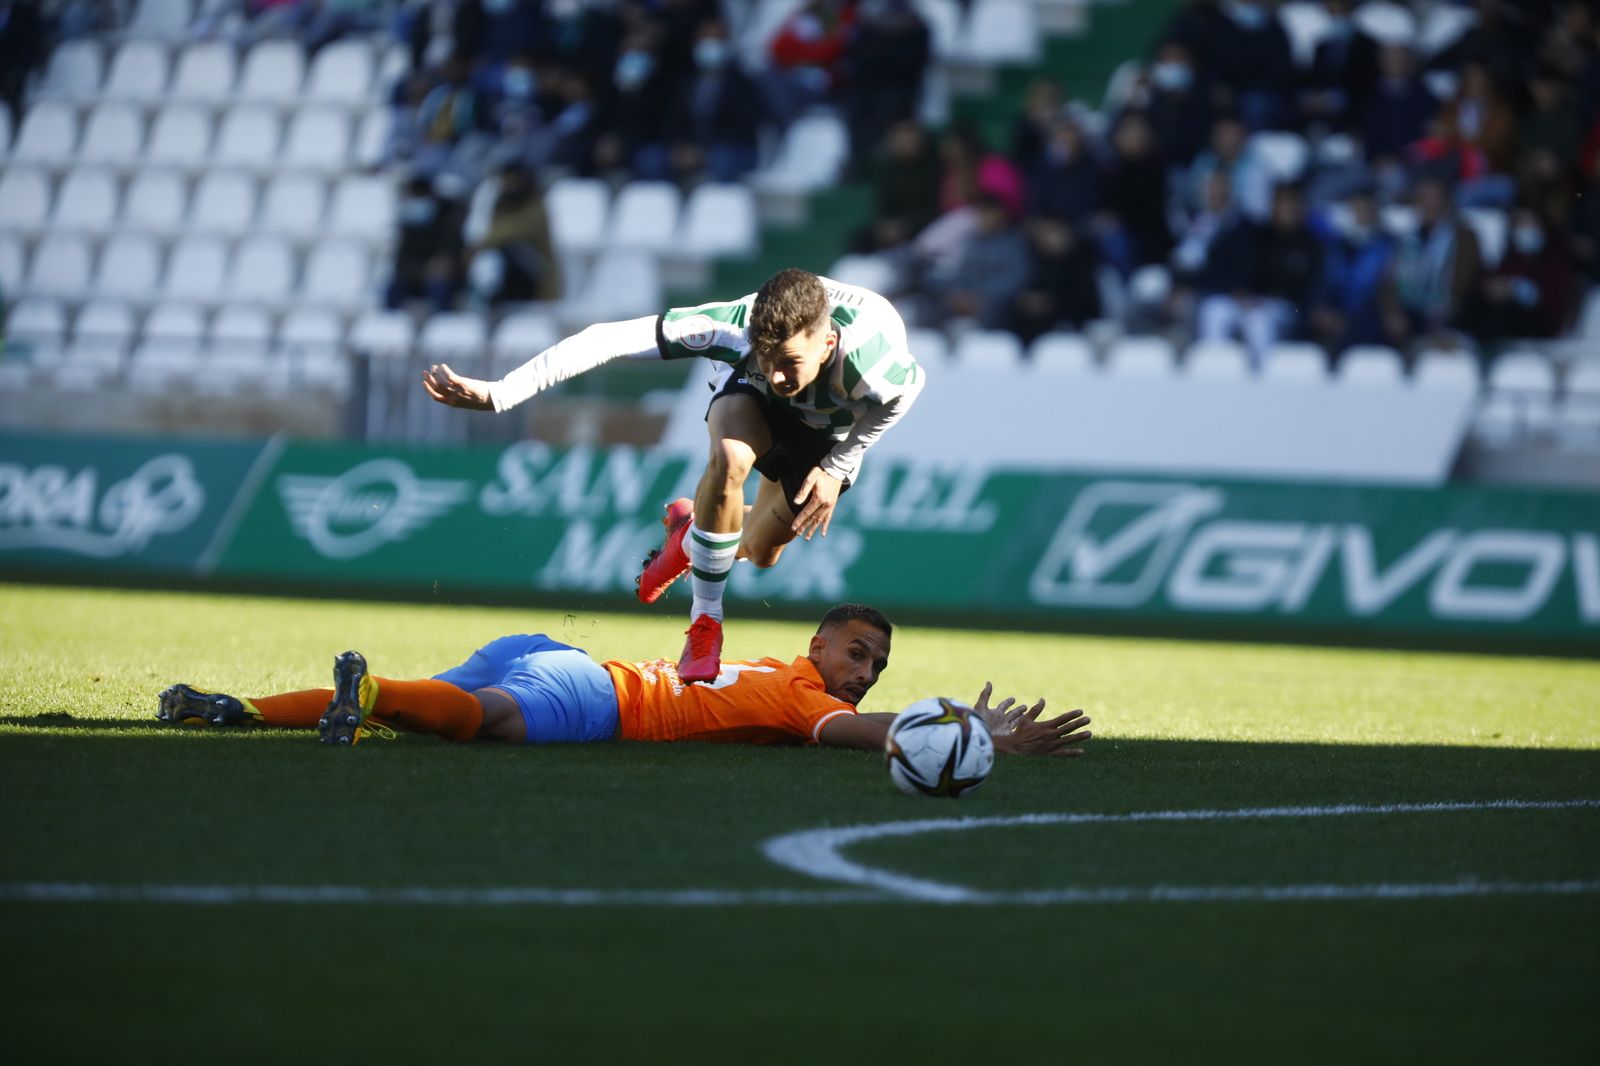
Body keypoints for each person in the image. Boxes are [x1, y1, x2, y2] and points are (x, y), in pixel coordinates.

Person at [421, 269, 926, 685]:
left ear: (828, 342)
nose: (778, 376)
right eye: (767, 359)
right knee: (729, 460)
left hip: (826, 432)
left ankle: (691, 538)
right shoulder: (736, 331)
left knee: (764, 551)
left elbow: (908, 391)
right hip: (749, 404)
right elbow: (608, 338)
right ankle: (706, 623)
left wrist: (838, 467)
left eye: (790, 362)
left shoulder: (872, 361)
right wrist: (501, 393)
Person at [154, 604, 1092, 757]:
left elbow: (868, 714)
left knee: (417, 708)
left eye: (876, 665)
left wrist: (958, 711)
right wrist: (976, 737)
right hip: (597, 696)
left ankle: (233, 708)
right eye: (857, 653)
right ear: (819, 644)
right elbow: (866, 733)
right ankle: (368, 694)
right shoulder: (797, 692)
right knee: (475, 723)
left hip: (552, 653)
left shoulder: (774, 667)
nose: (866, 672)